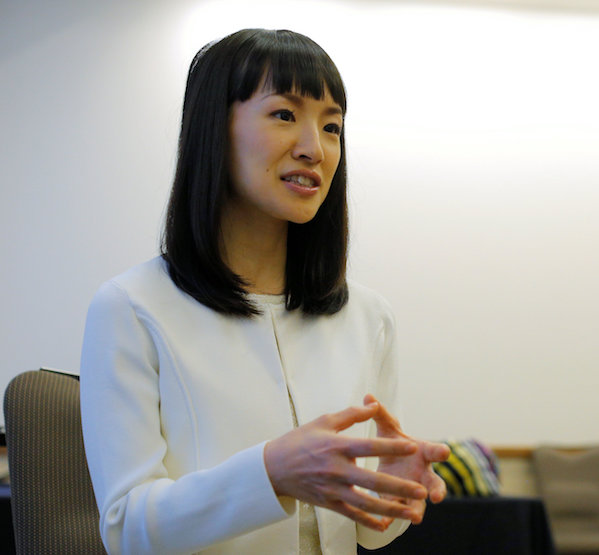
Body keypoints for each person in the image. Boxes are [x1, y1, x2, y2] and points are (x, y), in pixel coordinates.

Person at [79, 28, 450, 555]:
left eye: (332, 127)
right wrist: (270, 473)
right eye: (284, 115)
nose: (314, 149)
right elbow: (125, 531)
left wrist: (391, 488)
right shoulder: (131, 308)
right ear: (215, 129)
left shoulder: (369, 317)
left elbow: (370, 534)